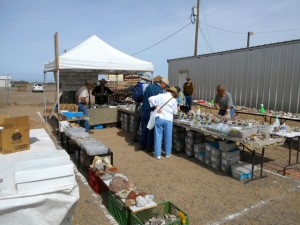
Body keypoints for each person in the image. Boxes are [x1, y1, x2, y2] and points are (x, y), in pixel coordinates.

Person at [148, 87, 178, 159]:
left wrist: (156, 107)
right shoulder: (174, 100)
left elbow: (150, 98)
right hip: (168, 119)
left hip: (159, 117)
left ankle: (158, 155)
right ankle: (167, 153)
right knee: (168, 137)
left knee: (158, 136)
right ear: (173, 93)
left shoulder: (160, 95)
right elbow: (175, 112)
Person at [140, 78, 169, 151]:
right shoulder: (159, 91)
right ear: (163, 83)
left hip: (144, 110)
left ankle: (142, 145)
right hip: (151, 112)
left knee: (144, 129)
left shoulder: (149, 87)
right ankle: (149, 147)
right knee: (151, 130)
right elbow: (160, 103)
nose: (165, 88)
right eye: (166, 86)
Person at [131, 75, 151, 142]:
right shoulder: (146, 86)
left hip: (137, 105)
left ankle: (133, 138)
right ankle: (143, 141)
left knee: (135, 122)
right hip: (143, 106)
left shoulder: (138, 84)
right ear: (147, 80)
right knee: (143, 124)